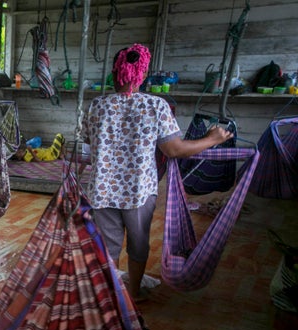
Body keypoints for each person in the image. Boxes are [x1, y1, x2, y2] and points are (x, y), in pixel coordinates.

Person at [81, 43, 234, 301]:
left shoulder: (97, 105)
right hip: (138, 190)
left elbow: (88, 145)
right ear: (141, 74)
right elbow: (174, 149)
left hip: (101, 188)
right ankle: (133, 293)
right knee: (138, 244)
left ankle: (112, 295)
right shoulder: (155, 106)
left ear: (115, 72)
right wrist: (212, 139)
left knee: (108, 245)